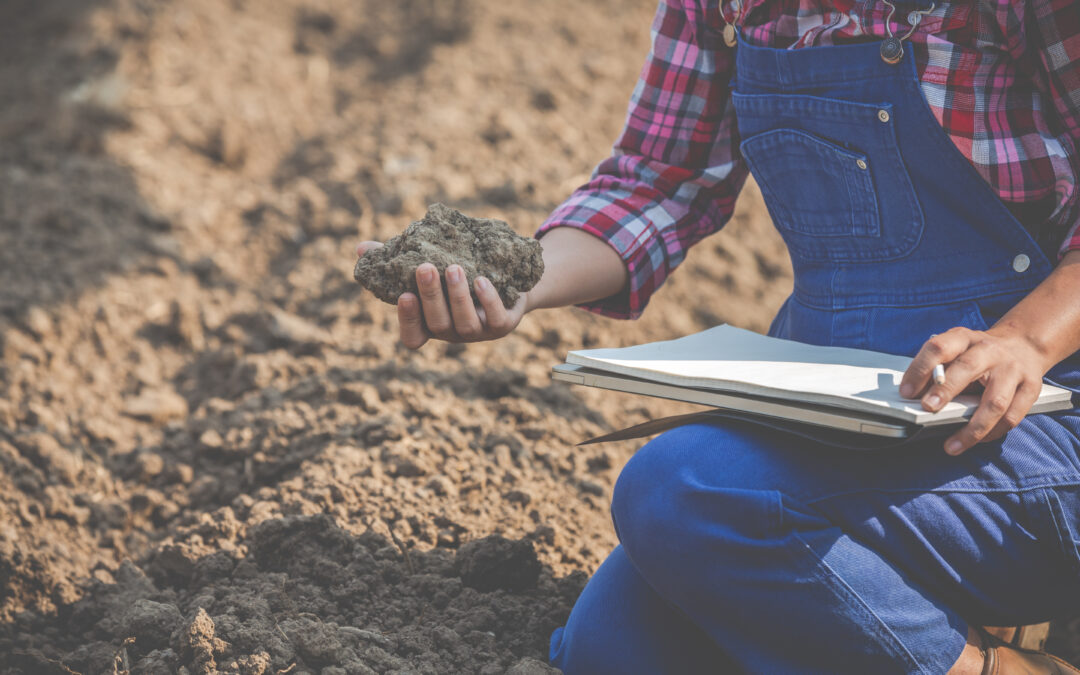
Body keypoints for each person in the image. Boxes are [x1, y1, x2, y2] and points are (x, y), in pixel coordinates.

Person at [357, 0, 1080, 672]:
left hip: (1025, 422)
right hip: (845, 403)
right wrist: (519, 282)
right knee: (615, 649)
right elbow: (659, 180)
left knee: (682, 490)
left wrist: (1026, 339)